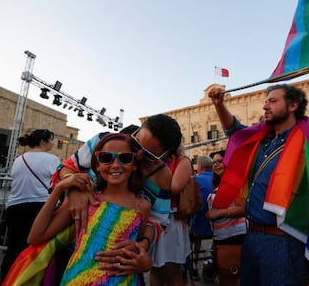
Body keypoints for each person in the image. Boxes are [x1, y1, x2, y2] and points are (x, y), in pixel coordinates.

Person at [208, 83, 309, 285]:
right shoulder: (262, 140)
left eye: (272, 101)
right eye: (265, 102)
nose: (265, 107)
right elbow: (235, 132)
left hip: (285, 241)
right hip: (252, 236)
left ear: (293, 105)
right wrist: (219, 105)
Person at [60, 114, 182, 276]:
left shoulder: (161, 176)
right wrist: (73, 188)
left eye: (148, 156)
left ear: (165, 157)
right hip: (69, 243)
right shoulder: (104, 143)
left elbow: (157, 221)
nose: (138, 155)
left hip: (117, 262)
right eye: (136, 143)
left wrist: (142, 246)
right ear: (137, 131)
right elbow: (68, 167)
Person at [27, 133, 152, 284]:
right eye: (106, 157)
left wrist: (145, 263)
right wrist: (59, 188)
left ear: (134, 164)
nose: (116, 164)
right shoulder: (85, 199)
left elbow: (138, 249)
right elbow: (36, 236)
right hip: (78, 279)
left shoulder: (142, 206)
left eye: (125, 158)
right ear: (97, 165)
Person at [0, 129, 60, 282]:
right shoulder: (52, 159)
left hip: (14, 207)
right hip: (39, 207)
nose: (53, 143)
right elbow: (57, 183)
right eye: (51, 140)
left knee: (13, 250)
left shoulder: (19, 159)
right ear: (42, 142)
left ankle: (6, 281)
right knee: (38, 250)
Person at [150, 145, 192, 286]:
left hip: (171, 220)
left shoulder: (182, 161)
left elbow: (174, 188)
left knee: (172, 270)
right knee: (154, 269)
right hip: (152, 218)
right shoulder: (151, 160)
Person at [206, 150, 246, 286]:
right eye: (214, 163)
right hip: (221, 238)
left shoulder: (235, 185)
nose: (216, 165)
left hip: (234, 238)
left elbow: (244, 209)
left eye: (220, 161)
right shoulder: (219, 186)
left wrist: (219, 214)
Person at [189, 155, 214, 279]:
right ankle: (210, 260)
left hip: (198, 225)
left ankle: (193, 264)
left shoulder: (196, 180)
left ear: (200, 167)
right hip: (215, 225)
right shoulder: (218, 178)